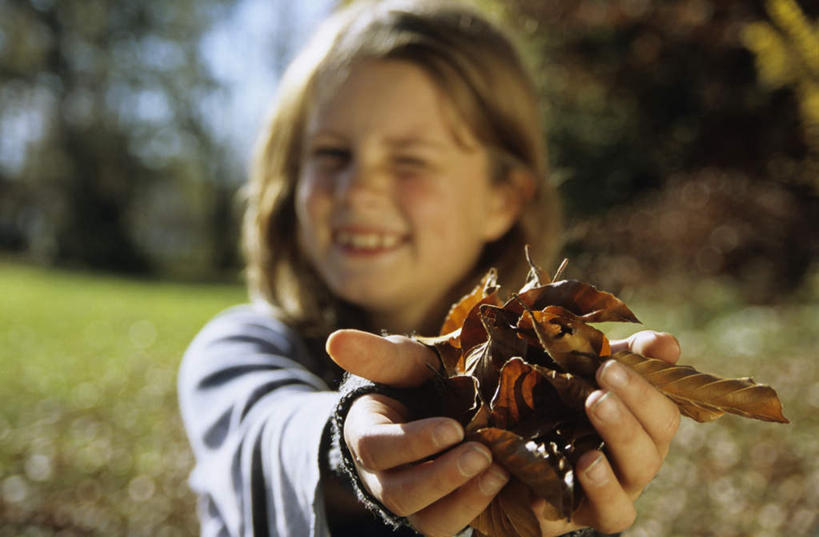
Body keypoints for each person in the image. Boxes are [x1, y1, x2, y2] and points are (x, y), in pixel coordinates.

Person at [177, 1, 683, 536]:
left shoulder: (535, 381)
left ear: (502, 199)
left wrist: (570, 485)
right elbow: (269, 431)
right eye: (331, 154)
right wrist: (350, 437)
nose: (357, 189)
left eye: (409, 161)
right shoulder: (239, 349)